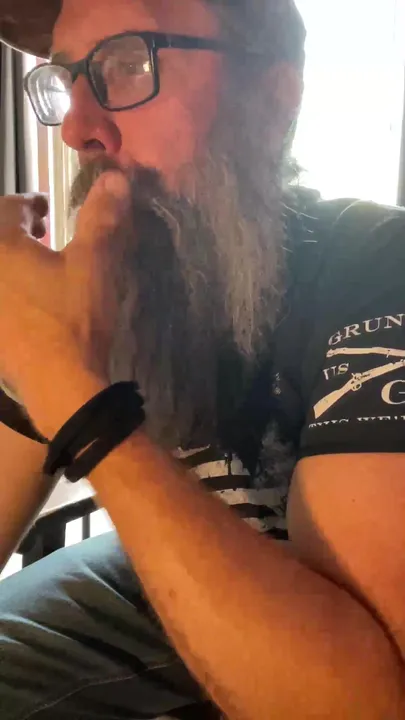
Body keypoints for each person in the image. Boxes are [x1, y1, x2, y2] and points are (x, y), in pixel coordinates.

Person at [0, 0, 405, 717]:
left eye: (129, 62)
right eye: (67, 79)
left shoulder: (376, 268)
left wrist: (70, 389)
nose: (77, 129)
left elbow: (362, 704)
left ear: (271, 98)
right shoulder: (111, 276)